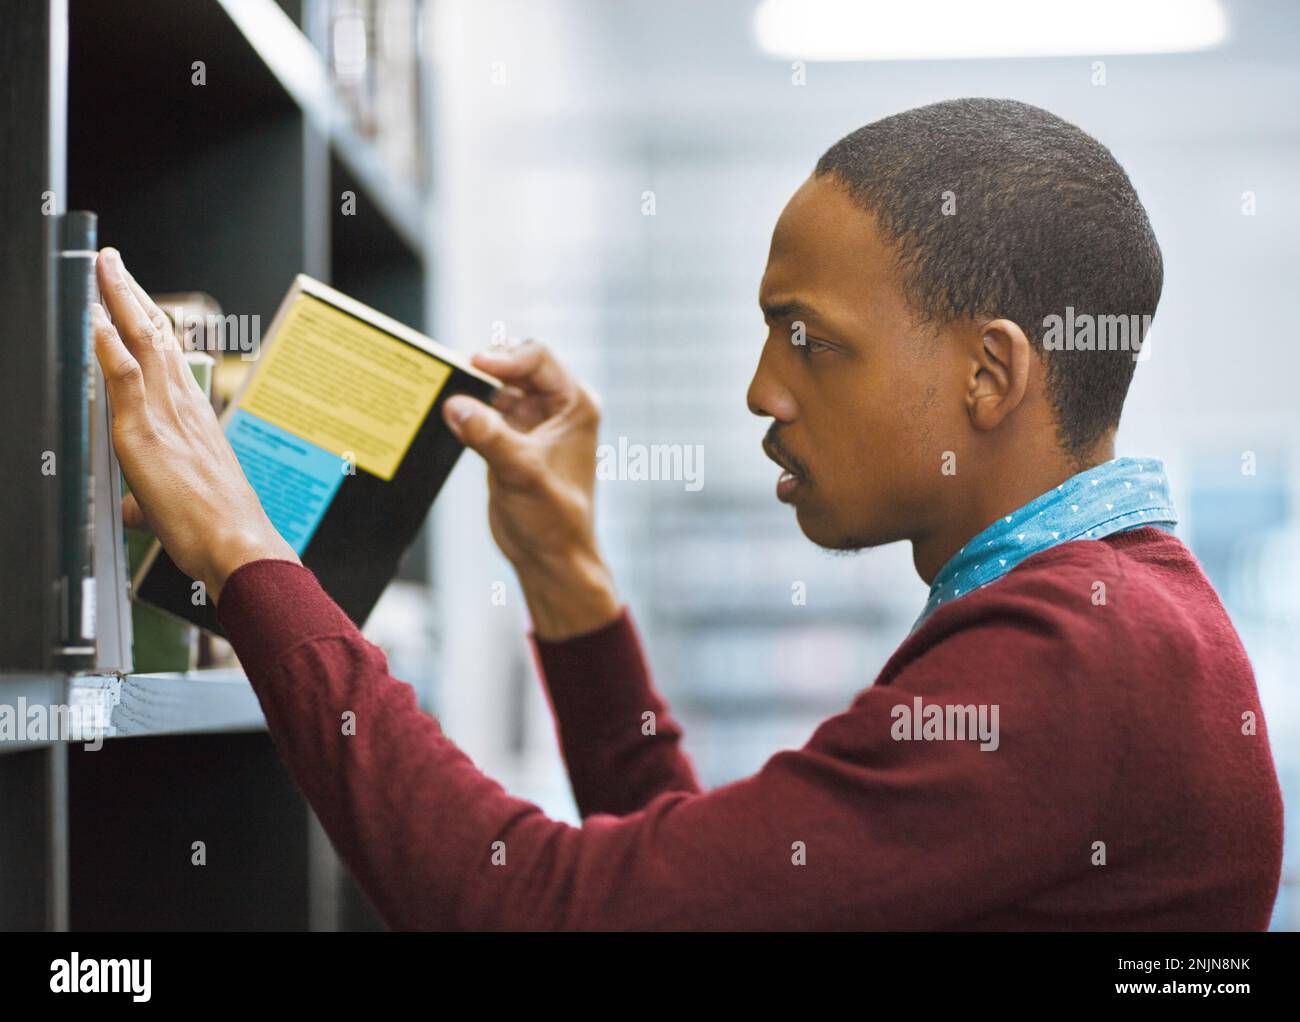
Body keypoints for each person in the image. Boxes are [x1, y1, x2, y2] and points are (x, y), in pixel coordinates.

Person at [92, 98, 1283, 930]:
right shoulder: (1121, 617)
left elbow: (531, 907)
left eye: (810, 339)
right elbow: (703, 901)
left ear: (990, 374)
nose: (762, 388)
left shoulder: (1076, 655)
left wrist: (242, 548)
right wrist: (566, 581)